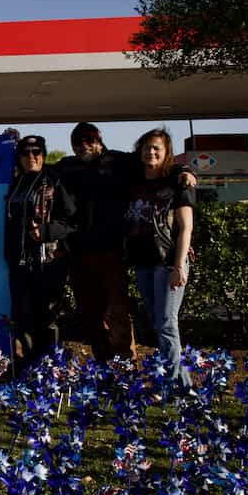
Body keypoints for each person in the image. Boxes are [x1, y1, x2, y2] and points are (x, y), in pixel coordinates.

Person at [54, 122, 195, 363]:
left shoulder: (118, 161)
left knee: (118, 310)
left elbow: (155, 162)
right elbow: (35, 169)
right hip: (79, 252)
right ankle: (102, 362)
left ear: (99, 141)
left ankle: (125, 362)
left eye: (89, 140)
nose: (83, 146)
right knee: (89, 313)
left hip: (112, 251)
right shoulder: (67, 166)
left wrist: (185, 169)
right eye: (77, 142)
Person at [124, 128, 195, 385]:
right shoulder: (134, 178)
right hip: (143, 261)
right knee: (157, 323)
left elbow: (186, 227)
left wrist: (179, 265)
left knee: (166, 323)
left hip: (167, 262)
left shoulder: (178, 182)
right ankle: (179, 380)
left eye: (157, 148)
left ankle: (178, 385)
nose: (151, 152)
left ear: (166, 154)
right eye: (147, 147)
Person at [4, 136, 77, 365]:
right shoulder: (15, 183)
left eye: (36, 152)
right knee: (22, 316)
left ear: (43, 155)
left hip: (49, 261)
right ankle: (28, 366)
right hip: (19, 261)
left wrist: (45, 232)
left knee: (47, 317)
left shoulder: (56, 181)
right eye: (25, 153)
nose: (31, 157)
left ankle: (49, 368)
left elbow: (72, 222)